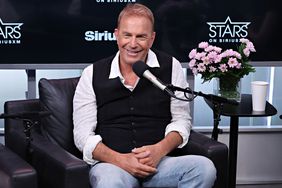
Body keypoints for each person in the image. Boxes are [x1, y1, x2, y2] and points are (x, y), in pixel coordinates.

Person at [73, 3, 216, 188]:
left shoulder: (171, 66)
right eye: (127, 35)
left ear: (152, 38)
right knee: (110, 182)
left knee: (204, 168)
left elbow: (182, 121)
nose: (133, 44)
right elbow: (82, 136)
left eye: (141, 36)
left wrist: (159, 150)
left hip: (160, 164)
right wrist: (121, 160)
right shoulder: (92, 73)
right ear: (116, 35)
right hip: (113, 165)